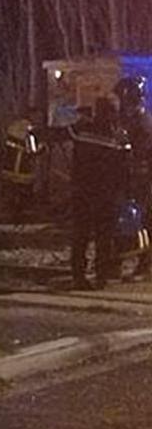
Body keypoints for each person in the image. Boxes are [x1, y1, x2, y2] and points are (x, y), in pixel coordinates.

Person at [69, 97, 129, 290]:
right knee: (104, 236)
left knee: (81, 235)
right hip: (105, 194)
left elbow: (63, 137)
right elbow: (124, 167)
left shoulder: (82, 130)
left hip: (82, 191)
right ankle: (101, 276)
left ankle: (79, 275)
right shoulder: (117, 136)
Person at [115, 76, 152, 278]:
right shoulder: (133, 121)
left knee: (145, 221)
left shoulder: (143, 123)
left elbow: (140, 152)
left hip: (143, 181)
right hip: (132, 179)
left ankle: (145, 263)